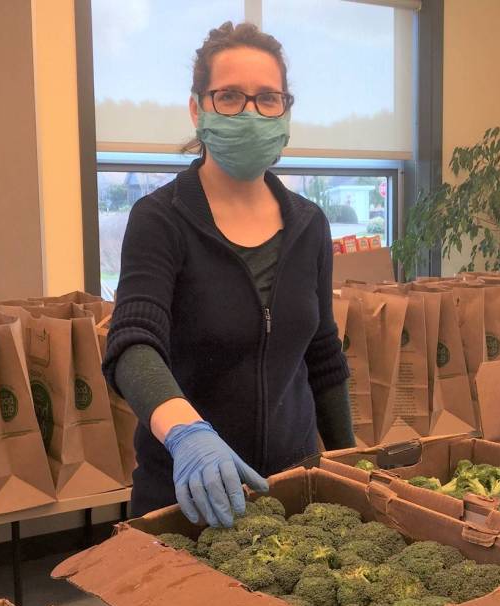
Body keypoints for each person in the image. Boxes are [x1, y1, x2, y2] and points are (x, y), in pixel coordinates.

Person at [103, 21, 353, 528]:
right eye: (231, 96)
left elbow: (322, 354)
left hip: (292, 493)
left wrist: (351, 463)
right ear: (198, 109)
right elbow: (132, 343)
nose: (250, 113)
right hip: (185, 495)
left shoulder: (309, 225)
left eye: (268, 98)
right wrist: (186, 433)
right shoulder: (160, 219)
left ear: (285, 111)